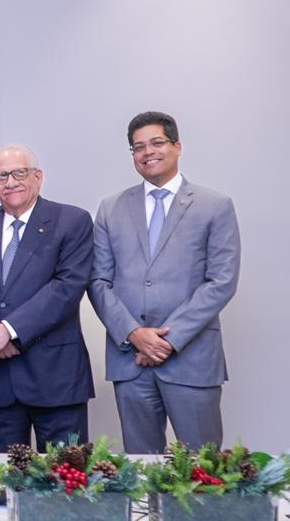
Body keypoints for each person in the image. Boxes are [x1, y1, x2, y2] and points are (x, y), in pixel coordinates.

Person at [89, 111, 240, 454]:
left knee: (202, 469)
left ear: (177, 146)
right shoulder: (111, 208)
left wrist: (167, 342)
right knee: (140, 469)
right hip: (130, 361)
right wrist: (133, 334)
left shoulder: (214, 206)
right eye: (138, 147)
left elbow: (221, 281)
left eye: (157, 142)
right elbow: (98, 280)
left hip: (191, 359)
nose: (148, 152)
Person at [0, 144, 95, 451]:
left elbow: (66, 288)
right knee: (0, 477)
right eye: (1, 176)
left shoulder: (72, 221)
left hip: (56, 379)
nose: (10, 182)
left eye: (19, 173)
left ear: (38, 177)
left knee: (62, 475)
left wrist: (8, 331)